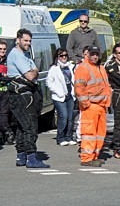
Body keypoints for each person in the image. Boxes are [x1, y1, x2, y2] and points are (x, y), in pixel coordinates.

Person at [7, 28, 49, 168]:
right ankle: (31, 157)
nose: (28, 43)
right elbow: (31, 75)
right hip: (21, 96)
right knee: (30, 126)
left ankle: (21, 156)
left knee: (21, 126)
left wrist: (34, 71)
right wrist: (34, 71)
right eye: (25, 40)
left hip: (26, 95)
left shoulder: (25, 55)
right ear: (18, 40)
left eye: (30, 41)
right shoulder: (17, 55)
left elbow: (35, 70)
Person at [74, 45, 112, 166]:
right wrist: (86, 104)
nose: (95, 56)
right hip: (91, 106)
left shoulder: (100, 67)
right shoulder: (83, 68)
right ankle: (86, 158)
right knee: (89, 133)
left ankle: (94, 155)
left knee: (100, 134)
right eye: (92, 54)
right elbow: (79, 88)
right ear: (88, 54)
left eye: (96, 54)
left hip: (101, 105)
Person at [46, 48, 76, 146]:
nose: (64, 58)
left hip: (70, 95)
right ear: (57, 57)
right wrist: (58, 92)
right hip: (59, 97)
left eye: (65, 55)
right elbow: (49, 83)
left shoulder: (71, 67)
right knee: (63, 116)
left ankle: (69, 136)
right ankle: (60, 137)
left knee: (70, 118)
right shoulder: (54, 69)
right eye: (61, 56)